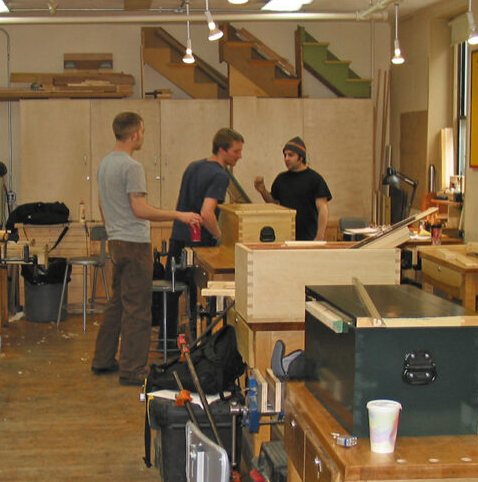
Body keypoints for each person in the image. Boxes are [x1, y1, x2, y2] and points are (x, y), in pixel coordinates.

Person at [90, 112, 202, 387]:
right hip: (135, 245)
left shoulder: (105, 164)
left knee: (117, 303)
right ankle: (132, 371)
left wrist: (115, 231)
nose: (142, 135)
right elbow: (139, 209)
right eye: (142, 131)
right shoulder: (131, 166)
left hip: (116, 242)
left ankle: (103, 360)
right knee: (138, 309)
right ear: (134, 135)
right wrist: (179, 215)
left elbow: (104, 206)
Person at [166, 128, 245, 334]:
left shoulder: (193, 166)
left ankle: (169, 339)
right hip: (199, 243)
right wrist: (220, 237)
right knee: (205, 294)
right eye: (236, 151)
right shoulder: (220, 175)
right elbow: (207, 213)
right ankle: (202, 338)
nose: (240, 156)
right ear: (222, 150)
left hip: (178, 237)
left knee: (173, 291)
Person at [253, 136, 332, 240]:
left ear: (301, 157)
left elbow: (323, 209)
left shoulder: (315, 179)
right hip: (283, 236)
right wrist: (263, 191)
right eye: (285, 155)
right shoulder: (281, 179)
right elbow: (274, 203)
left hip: (308, 237)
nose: (286, 158)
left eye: (290, 155)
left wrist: (319, 236)